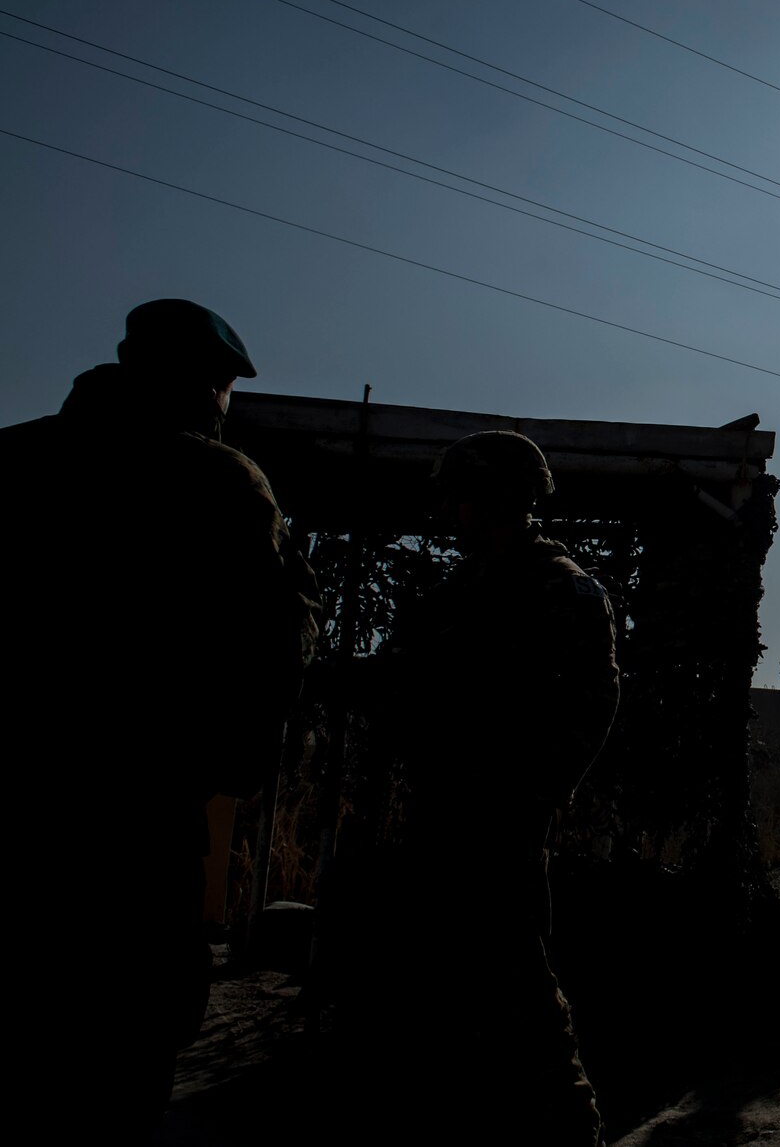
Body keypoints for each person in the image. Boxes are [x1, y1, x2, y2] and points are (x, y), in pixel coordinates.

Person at [0, 298, 319, 1140]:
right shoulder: (219, 482)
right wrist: (225, 762)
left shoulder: (14, 458)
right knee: (120, 1056)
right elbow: (277, 642)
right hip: (136, 829)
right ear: (209, 384)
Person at [326, 430, 619, 1146]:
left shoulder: (562, 587)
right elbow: (403, 674)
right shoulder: (458, 592)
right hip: (442, 812)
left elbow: (594, 700)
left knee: (518, 990)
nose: (448, 509)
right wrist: (334, 677)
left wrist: (534, 796)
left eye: (458, 495)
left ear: (493, 497)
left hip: (501, 826)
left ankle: (571, 1132)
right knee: (437, 995)